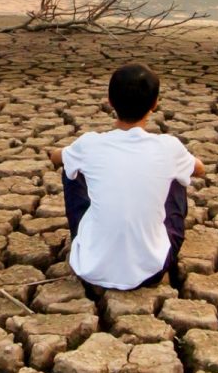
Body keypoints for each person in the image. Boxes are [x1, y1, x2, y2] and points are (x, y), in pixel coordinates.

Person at [48, 63, 204, 291]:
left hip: (90, 267)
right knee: (179, 175)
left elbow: (55, 157)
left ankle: (92, 236)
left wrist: (70, 156)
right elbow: (199, 169)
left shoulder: (90, 144)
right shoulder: (169, 147)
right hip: (153, 269)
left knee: (70, 167)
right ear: (155, 103)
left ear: (110, 101)